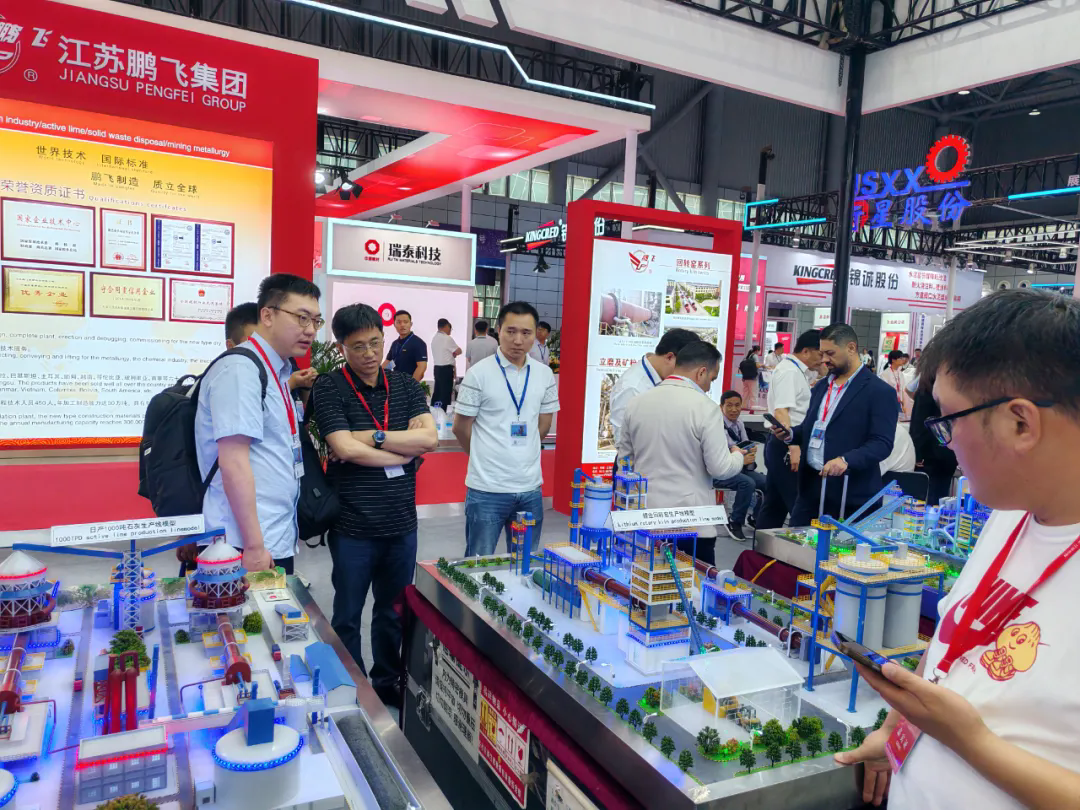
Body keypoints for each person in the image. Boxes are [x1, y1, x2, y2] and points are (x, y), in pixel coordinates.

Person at [836, 290, 1080, 810]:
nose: (945, 441)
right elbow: (954, 642)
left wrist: (970, 742)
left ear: (1020, 423)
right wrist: (896, 732)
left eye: (949, 420)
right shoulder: (1011, 513)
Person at [311, 303, 438, 708]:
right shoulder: (330, 387)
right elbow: (343, 447)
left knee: (392, 611)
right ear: (341, 347)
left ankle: (387, 681)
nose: (369, 353)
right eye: (358, 346)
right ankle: (354, 687)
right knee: (347, 614)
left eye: (375, 343)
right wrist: (402, 450)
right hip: (353, 526)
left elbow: (430, 439)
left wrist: (374, 437)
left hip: (402, 524)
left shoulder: (405, 386)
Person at [194, 274, 322, 575]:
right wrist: (253, 546)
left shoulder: (276, 370)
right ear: (267, 315)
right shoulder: (241, 369)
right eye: (301, 318)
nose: (310, 330)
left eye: (316, 321)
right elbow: (233, 462)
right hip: (240, 544)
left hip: (270, 535)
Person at [618, 342, 748, 566]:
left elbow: (625, 461)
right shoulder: (705, 407)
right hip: (691, 521)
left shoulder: (637, 403)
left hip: (647, 517)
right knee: (693, 583)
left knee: (646, 579)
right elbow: (720, 468)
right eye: (712, 379)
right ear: (701, 372)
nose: (709, 386)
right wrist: (738, 455)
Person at [454, 302, 559, 557]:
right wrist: (481, 456)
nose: (518, 340)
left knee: (525, 564)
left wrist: (525, 448)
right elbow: (460, 427)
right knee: (478, 564)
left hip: (530, 488)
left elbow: (544, 423)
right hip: (487, 489)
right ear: (498, 330)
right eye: (511, 331)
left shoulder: (544, 375)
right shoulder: (478, 374)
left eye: (526, 333)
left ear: (536, 334)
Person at [773, 323, 897, 524]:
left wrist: (846, 460)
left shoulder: (879, 392)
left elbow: (882, 443)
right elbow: (813, 429)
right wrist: (791, 435)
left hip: (850, 493)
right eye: (822, 353)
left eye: (830, 353)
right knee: (794, 543)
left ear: (851, 348)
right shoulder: (821, 387)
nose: (824, 360)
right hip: (810, 490)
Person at [757, 329, 821, 530]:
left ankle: (763, 546)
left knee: (774, 505)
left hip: (784, 443)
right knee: (798, 502)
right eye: (821, 354)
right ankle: (803, 545)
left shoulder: (795, 370)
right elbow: (782, 412)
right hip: (787, 444)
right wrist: (793, 446)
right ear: (806, 351)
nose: (823, 359)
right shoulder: (789, 372)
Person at [609, 328, 701, 445]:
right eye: (685, 368)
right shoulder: (633, 388)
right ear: (669, 357)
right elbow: (624, 443)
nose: (686, 375)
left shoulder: (662, 378)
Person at [714, 391, 767, 540]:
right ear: (721, 407)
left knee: (768, 482)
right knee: (747, 483)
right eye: (729, 405)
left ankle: (756, 518)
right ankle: (735, 521)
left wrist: (750, 450)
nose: (734, 409)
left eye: (737, 405)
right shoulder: (715, 426)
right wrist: (740, 458)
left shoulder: (739, 423)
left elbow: (744, 444)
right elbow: (716, 454)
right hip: (720, 471)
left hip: (739, 467)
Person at [910, 386, 958, 505]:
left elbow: (919, 425)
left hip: (931, 454)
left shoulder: (926, 392)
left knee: (927, 497)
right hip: (948, 451)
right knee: (941, 495)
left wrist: (916, 454)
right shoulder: (952, 388)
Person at [384, 310, 427, 382]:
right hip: (395, 383)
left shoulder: (419, 343)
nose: (402, 325)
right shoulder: (395, 344)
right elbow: (389, 363)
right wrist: (379, 377)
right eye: (399, 322)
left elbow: (421, 368)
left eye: (405, 322)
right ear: (394, 325)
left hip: (409, 384)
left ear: (411, 324)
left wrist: (411, 385)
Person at [430, 318, 461, 410]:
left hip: (437, 368)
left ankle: (434, 411)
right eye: (450, 328)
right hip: (446, 369)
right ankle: (442, 412)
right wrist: (454, 353)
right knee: (445, 393)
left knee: (438, 391)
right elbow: (459, 351)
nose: (450, 331)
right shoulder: (447, 338)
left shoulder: (434, 338)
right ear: (446, 326)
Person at [880, 349, 911, 420]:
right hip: (889, 403)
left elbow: (903, 390)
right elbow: (884, 392)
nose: (902, 360)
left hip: (899, 403)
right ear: (893, 360)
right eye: (900, 358)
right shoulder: (885, 374)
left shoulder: (900, 374)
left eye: (902, 358)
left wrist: (904, 404)